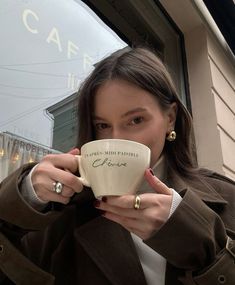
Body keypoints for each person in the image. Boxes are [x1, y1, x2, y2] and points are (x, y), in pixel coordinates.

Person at [0, 47, 234, 285]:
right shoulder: (64, 213)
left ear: (170, 118)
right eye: (102, 125)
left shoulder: (226, 197)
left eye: (135, 120)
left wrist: (203, 243)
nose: (117, 139)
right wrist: (23, 198)